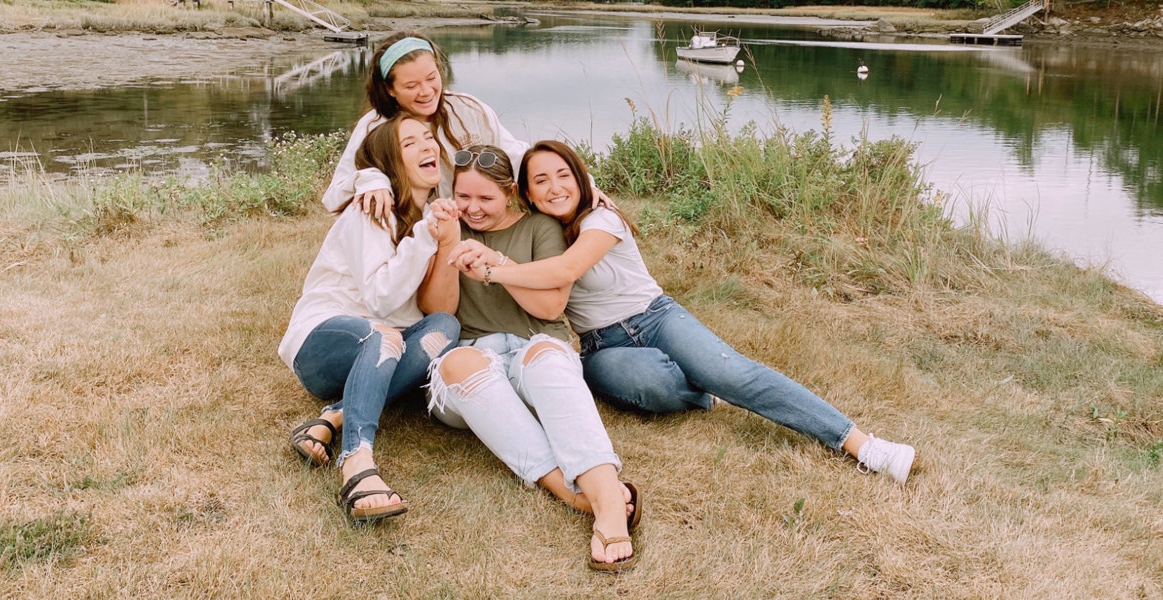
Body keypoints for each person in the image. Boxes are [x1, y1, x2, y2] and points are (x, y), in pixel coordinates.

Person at [450, 140, 917, 484]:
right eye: (541, 181)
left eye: (563, 175)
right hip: (600, 344)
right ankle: (701, 393)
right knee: (642, 385)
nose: (554, 188)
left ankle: (861, 444)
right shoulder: (540, 232)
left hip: (654, 316)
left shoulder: (601, 219)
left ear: (579, 177)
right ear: (526, 194)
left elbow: (569, 268)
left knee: (734, 374)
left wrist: (495, 269)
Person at [419, 144, 639, 572]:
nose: (473, 208)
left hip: (531, 345)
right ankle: (572, 493)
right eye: (464, 196)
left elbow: (552, 309)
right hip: (472, 360)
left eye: (486, 199)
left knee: (548, 360)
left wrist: (494, 264)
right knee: (460, 365)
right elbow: (439, 313)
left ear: (511, 194)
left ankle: (607, 500)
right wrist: (450, 243)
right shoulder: (450, 227)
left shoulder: (539, 227)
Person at [278, 114, 462, 525]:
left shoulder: (429, 215)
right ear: (390, 163)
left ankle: (335, 416)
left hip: (379, 353)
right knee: (383, 334)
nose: (427, 146)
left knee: (445, 328)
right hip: (323, 343)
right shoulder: (371, 210)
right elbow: (381, 299)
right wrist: (424, 238)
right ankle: (357, 465)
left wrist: (440, 235)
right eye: (410, 143)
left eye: (428, 138)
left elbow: (434, 309)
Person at [322, 31, 611, 218]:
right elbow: (334, 197)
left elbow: (518, 155)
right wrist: (372, 179)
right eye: (411, 85)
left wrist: (583, 184)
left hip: (473, 223)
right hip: (409, 236)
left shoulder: (468, 108)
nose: (426, 92)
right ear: (390, 89)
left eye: (431, 78)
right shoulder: (373, 127)